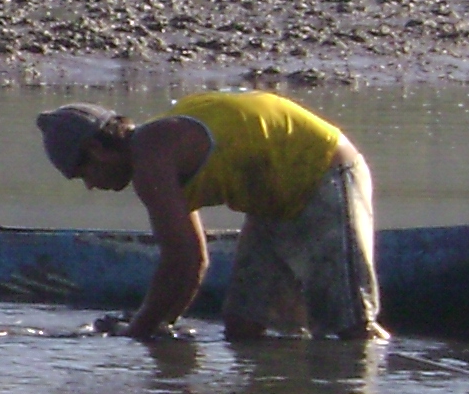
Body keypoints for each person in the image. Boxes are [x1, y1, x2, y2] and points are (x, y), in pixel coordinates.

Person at [38, 90, 384, 344]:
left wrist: (138, 331)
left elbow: (182, 262)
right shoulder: (158, 152)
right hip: (273, 200)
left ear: (98, 150)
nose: (90, 186)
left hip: (324, 172)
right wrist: (161, 325)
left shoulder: (153, 160)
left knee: (354, 328)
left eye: (83, 174)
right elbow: (196, 259)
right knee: (243, 326)